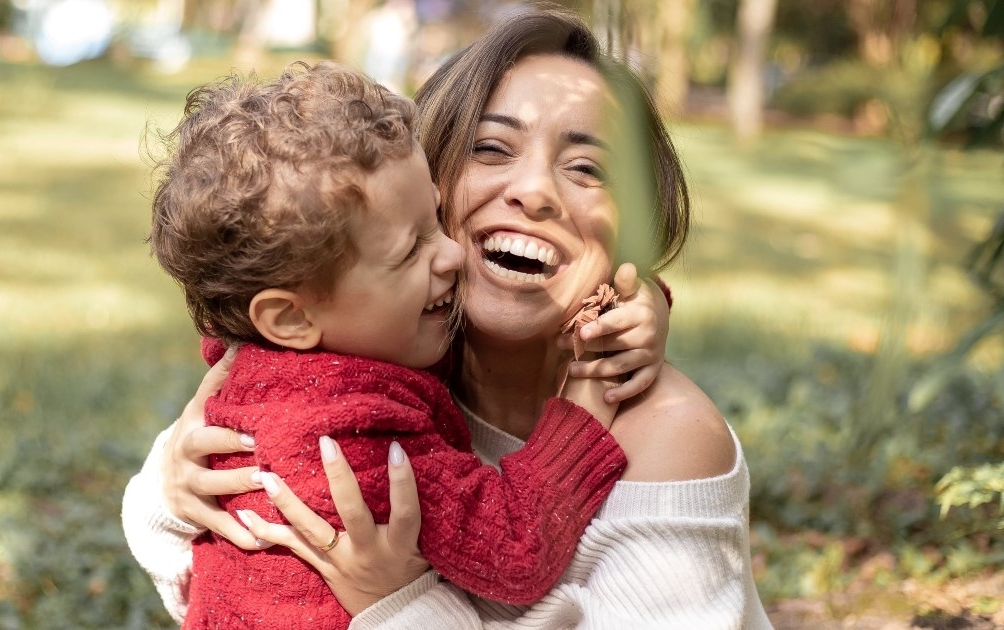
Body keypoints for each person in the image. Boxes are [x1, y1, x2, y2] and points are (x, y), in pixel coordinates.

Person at [124, 4, 773, 628]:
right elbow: (192, 550)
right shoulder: (361, 386)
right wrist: (171, 495)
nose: (534, 191)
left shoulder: (672, 439)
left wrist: (397, 605)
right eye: (492, 148)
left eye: (586, 166)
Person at [145, 61, 633, 629]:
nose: (449, 254)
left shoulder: (271, 367)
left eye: (435, 218)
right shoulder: (355, 436)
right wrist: (585, 400)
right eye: (410, 251)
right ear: (289, 316)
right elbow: (516, 548)